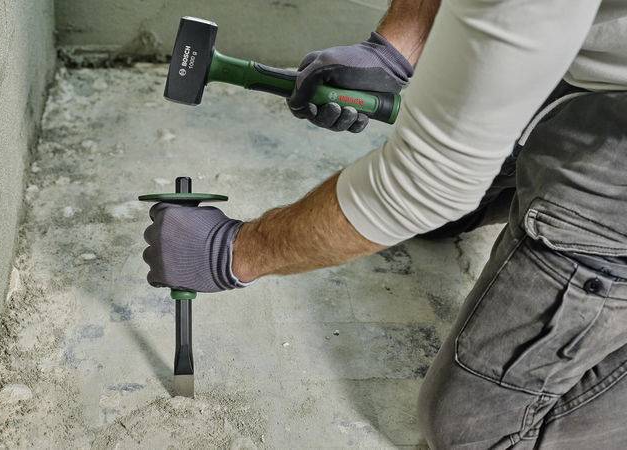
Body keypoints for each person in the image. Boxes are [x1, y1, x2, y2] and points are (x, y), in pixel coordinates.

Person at [142, 0, 627, 446]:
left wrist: (233, 252)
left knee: (472, 430)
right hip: (590, 64)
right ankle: (513, 149)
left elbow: (429, 184)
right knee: (433, 216)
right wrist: (392, 49)